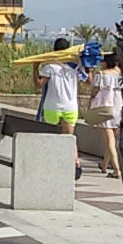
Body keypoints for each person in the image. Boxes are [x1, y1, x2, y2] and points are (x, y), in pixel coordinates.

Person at [35, 37, 86, 175]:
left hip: (52, 106)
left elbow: (39, 84)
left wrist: (35, 67)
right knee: (70, 138)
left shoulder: (50, 67)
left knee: (51, 137)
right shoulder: (76, 67)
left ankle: (52, 164)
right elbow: (89, 80)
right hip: (70, 106)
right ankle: (75, 164)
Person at [89, 53, 123, 177]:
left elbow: (94, 91)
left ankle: (117, 169)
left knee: (109, 140)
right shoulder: (121, 75)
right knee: (114, 138)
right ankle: (104, 165)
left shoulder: (101, 74)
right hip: (119, 107)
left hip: (105, 108)